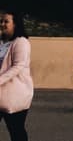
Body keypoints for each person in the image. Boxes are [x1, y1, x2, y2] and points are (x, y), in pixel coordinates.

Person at [0, 10, 33, 141]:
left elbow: (18, 66)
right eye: (1, 21)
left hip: (15, 95)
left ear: (15, 24)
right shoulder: (1, 42)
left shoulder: (21, 42)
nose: (2, 24)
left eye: (6, 21)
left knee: (16, 130)